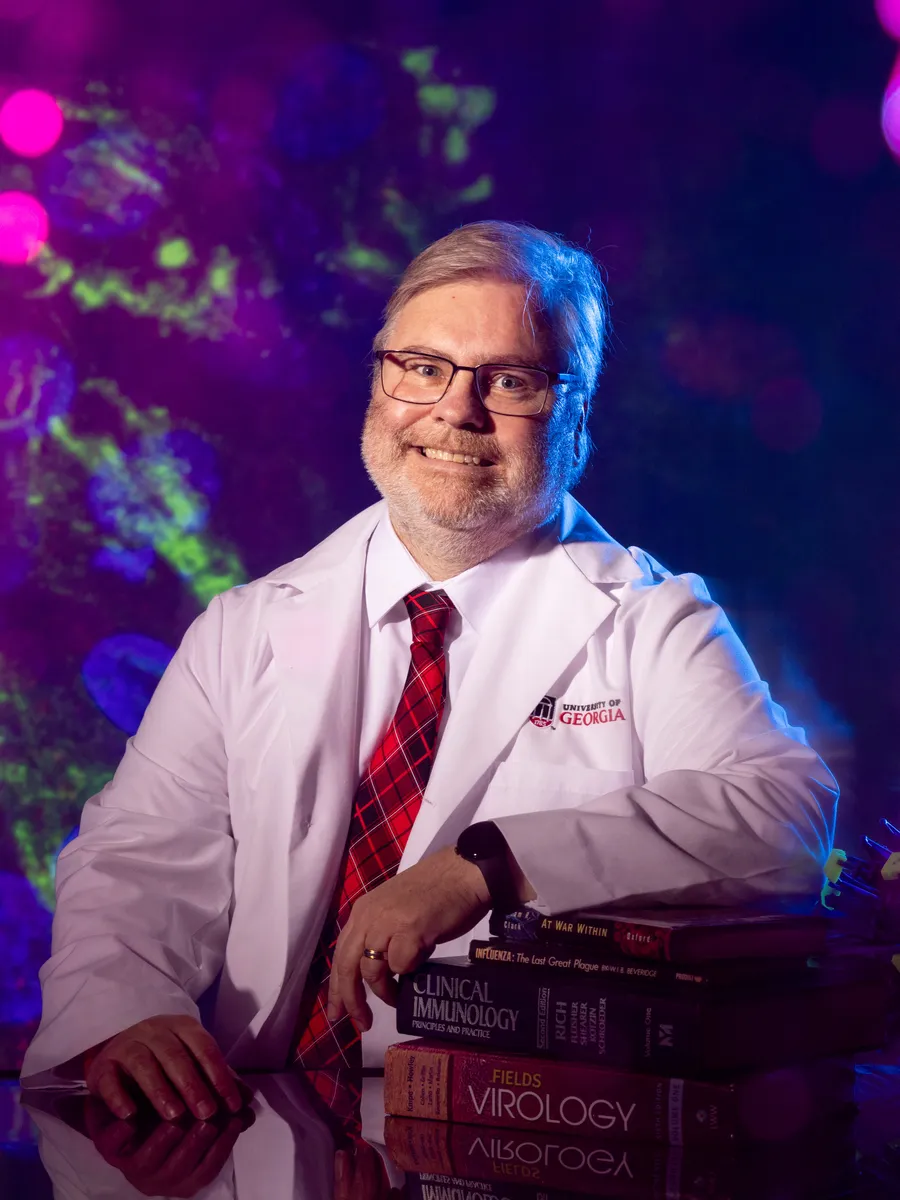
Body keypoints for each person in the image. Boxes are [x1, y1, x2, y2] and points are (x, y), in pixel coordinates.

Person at [21, 221, 837, 1125]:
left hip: (505, 1136)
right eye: (423, 366)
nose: (456, 410)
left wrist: (484, 867)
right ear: (380, 382)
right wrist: (128, 1013)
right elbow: (139, 861)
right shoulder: (246, 627)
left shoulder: (651, 618)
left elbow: (784, 818)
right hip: (256, 1122)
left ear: (576, 418)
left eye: (512, 380)